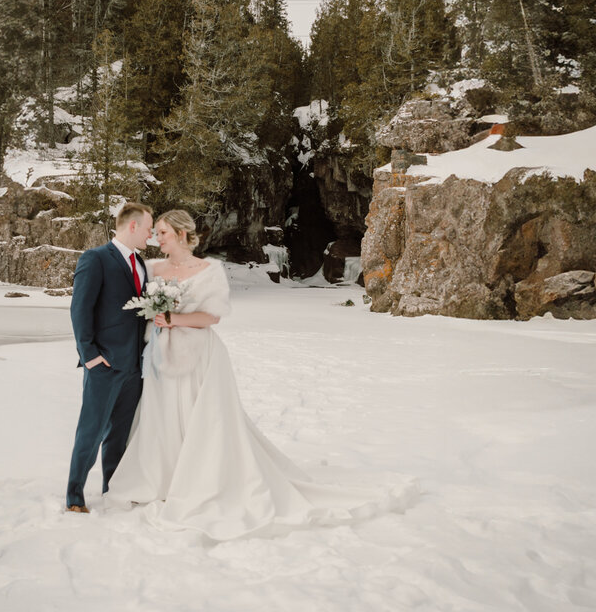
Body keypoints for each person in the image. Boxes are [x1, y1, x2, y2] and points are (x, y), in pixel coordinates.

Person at [107, 208, 414, 539]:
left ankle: (201, 480)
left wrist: (173, 319)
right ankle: (161, 478)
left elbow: (212, 317)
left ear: (182, 234)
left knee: (203, 420)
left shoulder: (208, 270)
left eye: (163, 232)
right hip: (160, 356)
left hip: (199, 355)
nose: (157, 238)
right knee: (162, 416)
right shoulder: (151, 268)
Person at [65, 202, 154, 513]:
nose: (151, 234)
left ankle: (112, 489)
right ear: (132, 226)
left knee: (119, 435)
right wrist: (89, 355)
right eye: (148, 228)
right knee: (91, 431)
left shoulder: (141, 264)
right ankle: (75, 494)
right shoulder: (96, 258)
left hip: (134, 365)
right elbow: (80, 309)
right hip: (103, 363)